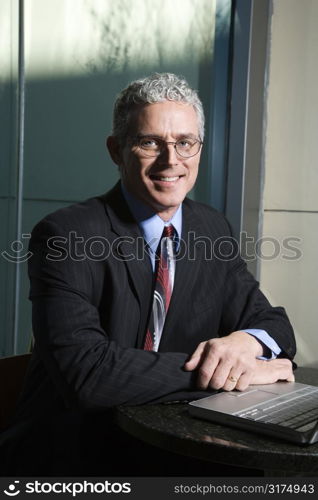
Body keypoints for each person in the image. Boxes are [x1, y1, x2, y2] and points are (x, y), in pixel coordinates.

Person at [1, 73, 295, 475]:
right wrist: (236, 375)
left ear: (199, 149)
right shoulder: (65, 235)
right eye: (149, 142)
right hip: (75, 452)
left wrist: (245, 345)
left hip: (174, 444)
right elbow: (88, 376)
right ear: (116, 150)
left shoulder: (211, 227)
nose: (171, 161)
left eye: (185, 143)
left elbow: (275, 327)